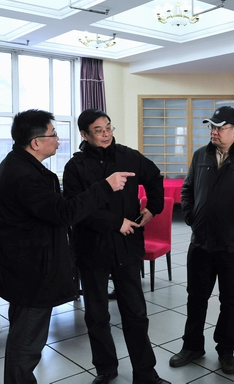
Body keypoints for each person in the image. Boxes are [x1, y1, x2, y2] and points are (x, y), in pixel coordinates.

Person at [0, 109, 133, 384]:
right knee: (26, 342)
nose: (58, 139)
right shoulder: (24, 175)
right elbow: (64, 212)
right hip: (31, 273)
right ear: (35, 142)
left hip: (28, 268)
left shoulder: (21, 165)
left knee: (25, 338)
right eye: (53, 134)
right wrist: (105, 186)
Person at [62, 109, 170, 384]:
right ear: (84, 134)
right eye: (98, 130)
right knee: (97, 315)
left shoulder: (128, 156)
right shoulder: (75, 167)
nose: (106, 134)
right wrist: (114, 222)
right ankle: (106, 369)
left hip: (127, 246)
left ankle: (145, 373)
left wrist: (153, 207)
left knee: (136, 313)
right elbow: (75, 210)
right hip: (92, 249)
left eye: (108, 127)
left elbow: (154, 177)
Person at [169, 106, 234, 375]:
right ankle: (192, 346)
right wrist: (191, 217)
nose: (214, 132)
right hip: (201, 242)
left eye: (220, 127)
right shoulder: (200, 156)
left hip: (232, 245)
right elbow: (188, 189)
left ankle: (226, 350)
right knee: (196, 297)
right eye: (211, 127)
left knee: (230, 300)